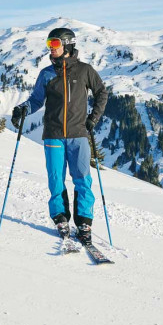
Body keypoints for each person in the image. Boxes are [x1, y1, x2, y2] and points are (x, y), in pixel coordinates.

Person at [12, 27, 107, 243]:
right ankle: (60, 218)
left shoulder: (85, 71)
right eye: (49, 44)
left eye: (54, 44)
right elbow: (36, 100)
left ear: (67, 45)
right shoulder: (47, 73)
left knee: (83, 179)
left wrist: (93, 119)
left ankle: (84, 222)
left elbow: (102, 93)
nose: (50, 49)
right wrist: (22, 109)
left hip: (79, 134)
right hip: (53, 134)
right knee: (56, 180)